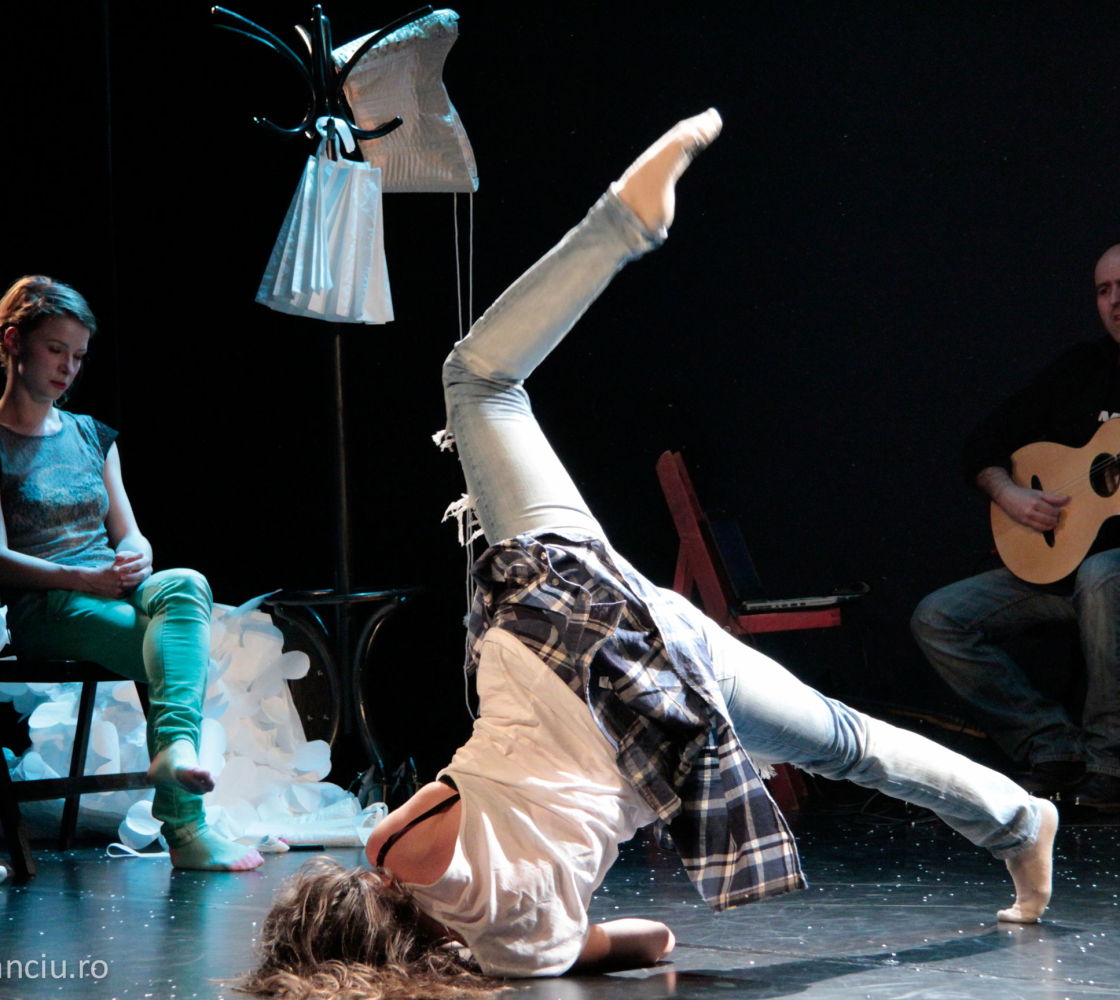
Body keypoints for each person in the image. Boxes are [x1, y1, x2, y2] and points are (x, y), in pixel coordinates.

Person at [241, 111, 1056, 996]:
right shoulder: (396, 849)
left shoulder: (524, 954)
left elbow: (652, 939)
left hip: (674, 708)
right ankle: (624, 223)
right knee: (478, 382)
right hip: (574, 632)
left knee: (849, 743)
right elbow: (436, 832)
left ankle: (1020, 823)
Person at [0, 275, 263, 871]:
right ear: (14, 342)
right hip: (49, 606)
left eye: (78, 356)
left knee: (186, 582)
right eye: (55, 350)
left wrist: (137, 552)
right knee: (171, 651)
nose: (68, 368)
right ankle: (186, 832)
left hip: (110, 586)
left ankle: (175, 749)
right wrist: (80, 580)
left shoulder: (92, 435)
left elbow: (129, 532)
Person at [911, 246, 1120, 808]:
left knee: (1103, 573)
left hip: (1108, 577)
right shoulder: (1082, 368)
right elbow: (984, 443)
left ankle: (1111, 764)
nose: (1114, 301)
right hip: (1063, 573)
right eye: (1103, 290)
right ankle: (1052, 747)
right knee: (939, 617)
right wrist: (1010, 494)